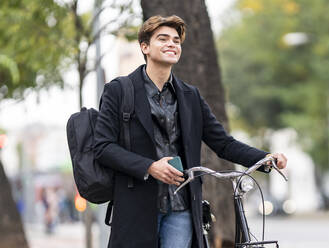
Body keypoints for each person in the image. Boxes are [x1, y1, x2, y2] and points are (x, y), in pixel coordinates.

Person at [94, 15, 287, 248]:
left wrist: (265, 158)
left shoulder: (190, 96)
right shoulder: (119, 91)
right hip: (137, 207)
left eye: (176, 41)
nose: (172, 44)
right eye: (163, 39)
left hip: (181, 208)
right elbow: (103, 147)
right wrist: (150, 167)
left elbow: (223, 143)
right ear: (144, 47)